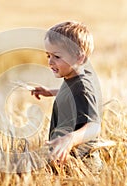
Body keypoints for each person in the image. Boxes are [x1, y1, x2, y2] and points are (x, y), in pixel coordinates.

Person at [31, 21, 103, 174]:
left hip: (83, 166)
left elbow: (94, 126)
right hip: (67, 160)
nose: (50, 62)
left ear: (79, 58)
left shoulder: (83, 87)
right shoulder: (73, 75)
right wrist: (50, 92)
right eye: (48, 55)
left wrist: (70, 139)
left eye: (56, 56)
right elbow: (71, 92)